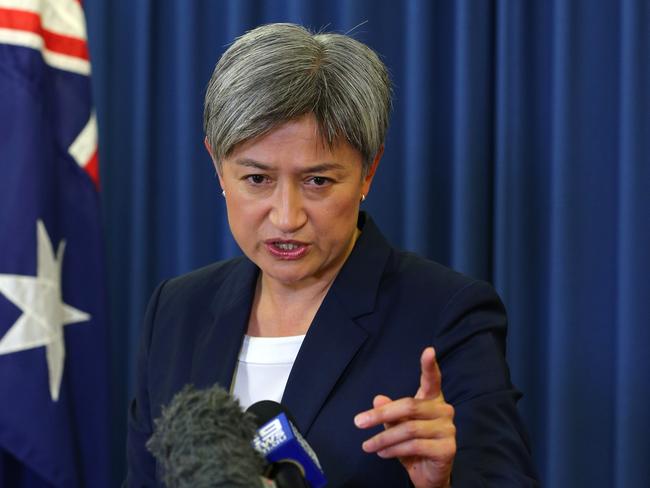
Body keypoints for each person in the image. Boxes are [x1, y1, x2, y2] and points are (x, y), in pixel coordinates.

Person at [126, 23, 538, 487]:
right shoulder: (177, 311)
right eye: (257, 179)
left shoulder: (446, 314)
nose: (286, 217)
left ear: (368, 172)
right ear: (218, 167)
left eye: (317, 181)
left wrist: (441, 484)